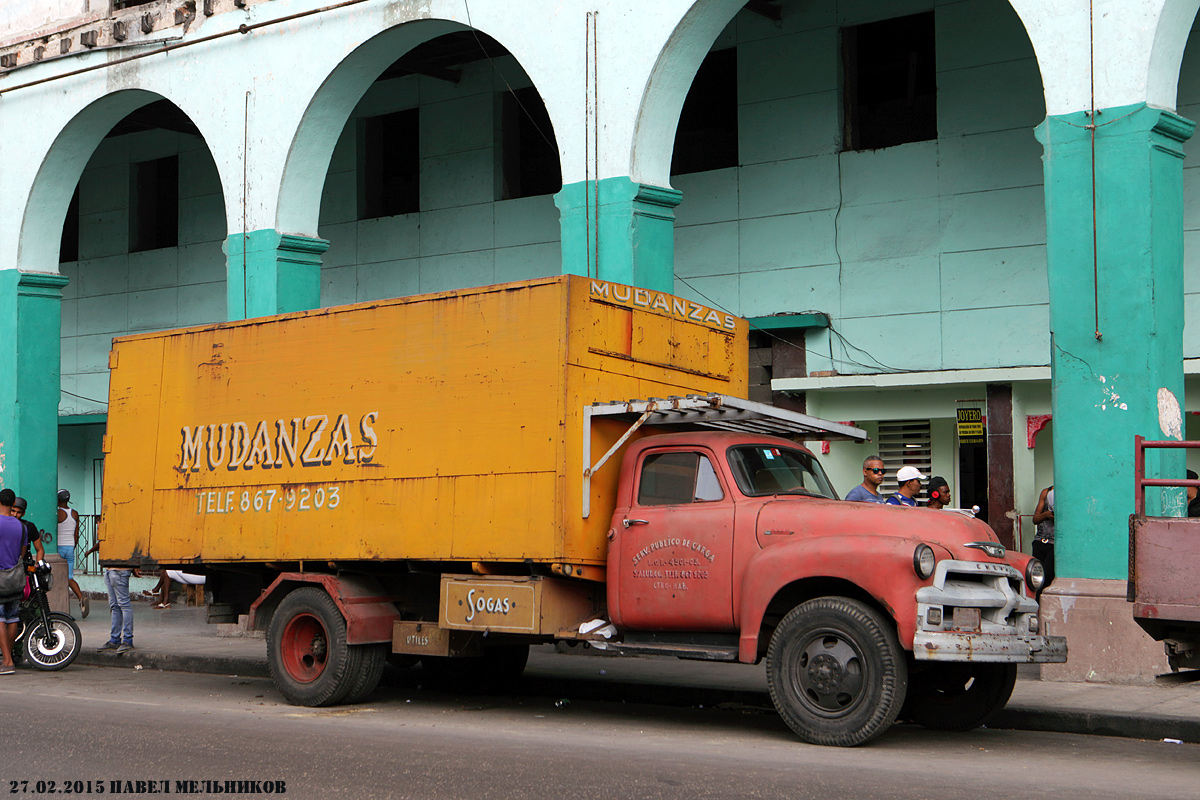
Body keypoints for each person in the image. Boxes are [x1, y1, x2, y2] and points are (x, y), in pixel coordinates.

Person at [0, 489, 26, 674]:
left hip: (0, 576)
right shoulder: (21, 526)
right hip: (15, 578)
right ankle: (8, 657)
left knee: (0, 619)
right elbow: (21, 554)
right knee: (12, 618)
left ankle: (7, 661)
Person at [55, 490, 89, 618]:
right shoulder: (74, 513)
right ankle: (81, 598)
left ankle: (58, 604)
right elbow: (76, 534)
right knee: (69, 577)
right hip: (70, 547)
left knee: (55, 576)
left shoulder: (58, 513)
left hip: (59, 547)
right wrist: (73, 545)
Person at [1033, 485, 1055, 589]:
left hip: (1055, 544)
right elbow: (1035, 519)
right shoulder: (1046, 492)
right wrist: (1046, 515)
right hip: (1040, 541)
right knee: (1037, 576)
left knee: (1048, 575)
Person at [10, 498, 45, 563]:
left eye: (18, 512)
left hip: (25, 565)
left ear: (23, 513)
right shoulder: (3, 524)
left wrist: (38, 565)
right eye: (13, 511)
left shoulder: (29, 526)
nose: (15, 515)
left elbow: (40, 549)